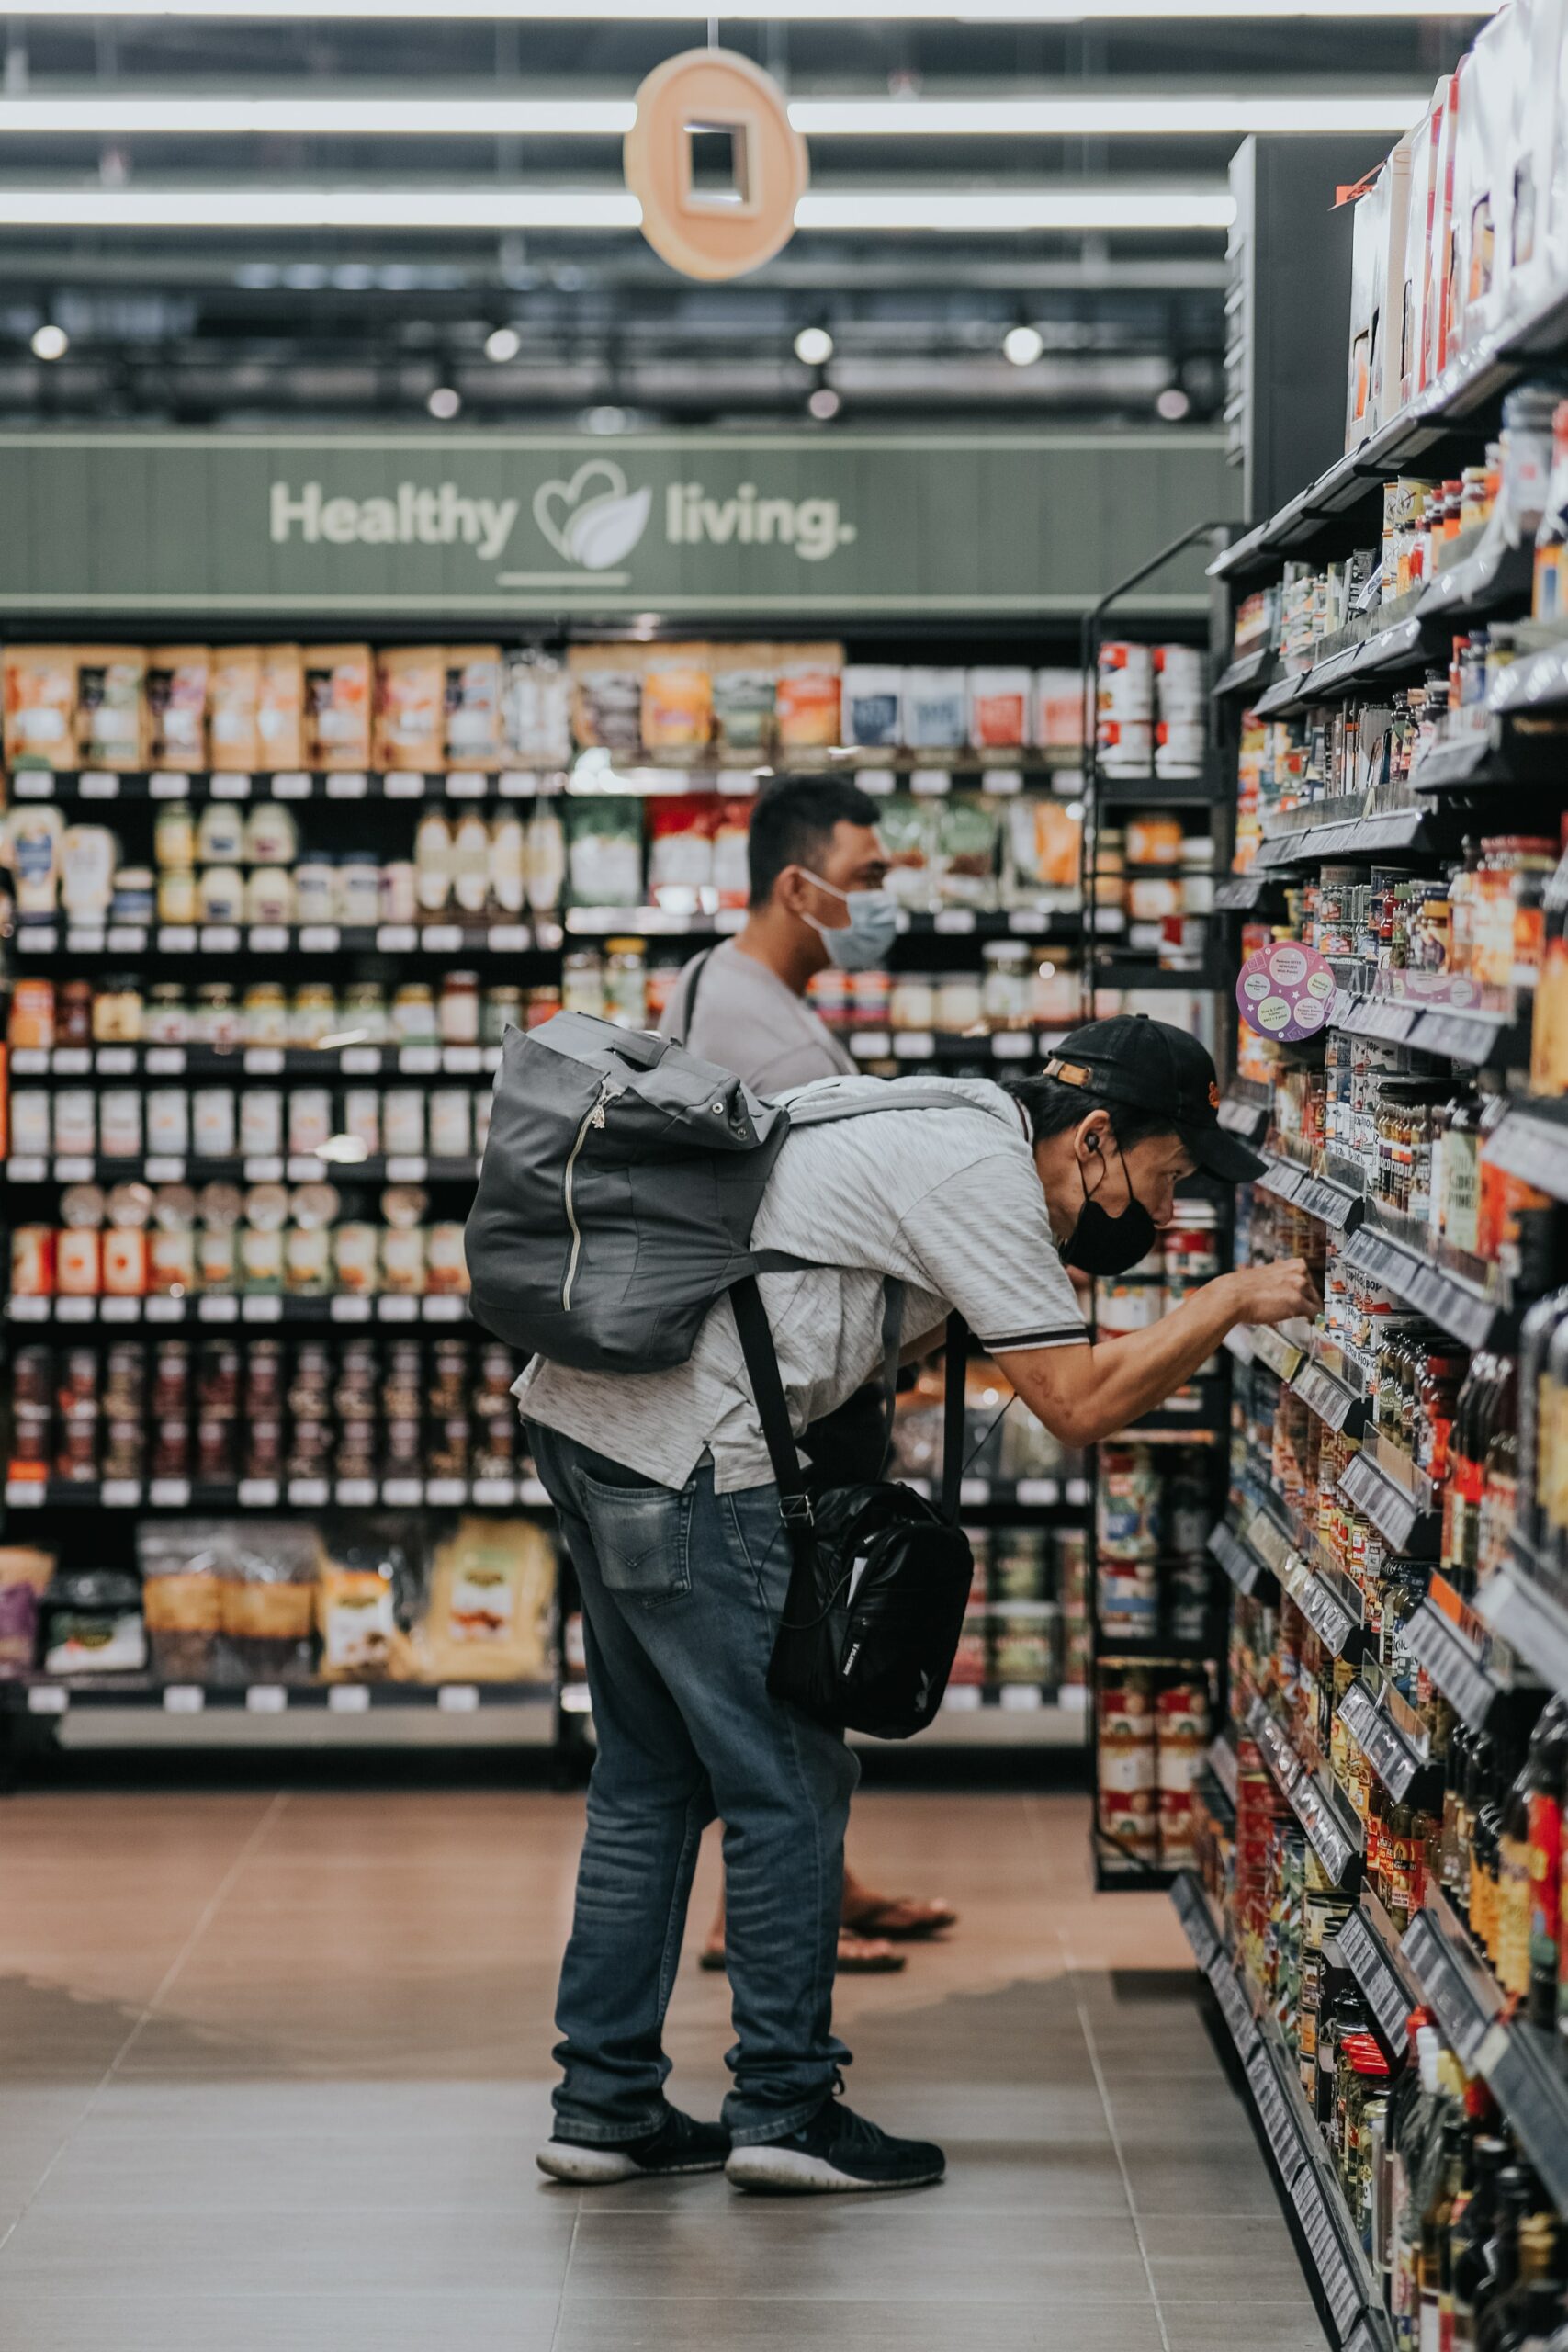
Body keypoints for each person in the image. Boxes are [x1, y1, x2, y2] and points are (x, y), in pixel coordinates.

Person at [523, 1000, 1317, 2196]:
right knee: (789, 1781)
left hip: (588, 1422)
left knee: (650, 1778)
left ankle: (605, 2107)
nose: (1166, 1212)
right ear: (1094, 1138)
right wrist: (1224, 1301)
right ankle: (784, 2108)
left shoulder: (945, 1114)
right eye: (1167, 1177)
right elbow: (1079, 1402)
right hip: (692, 1457)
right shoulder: (980, 1175)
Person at [665, 775, 956, 1977]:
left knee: (790, 1667)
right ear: (802, 884)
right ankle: (771, 1926)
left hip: (736, 1377)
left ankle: (820, 1885)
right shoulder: (776, 1034)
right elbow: (840, 1229)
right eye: (872, 876)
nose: (885, 899)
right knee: (799, 1660)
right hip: (776, 1396)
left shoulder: (715, 981)